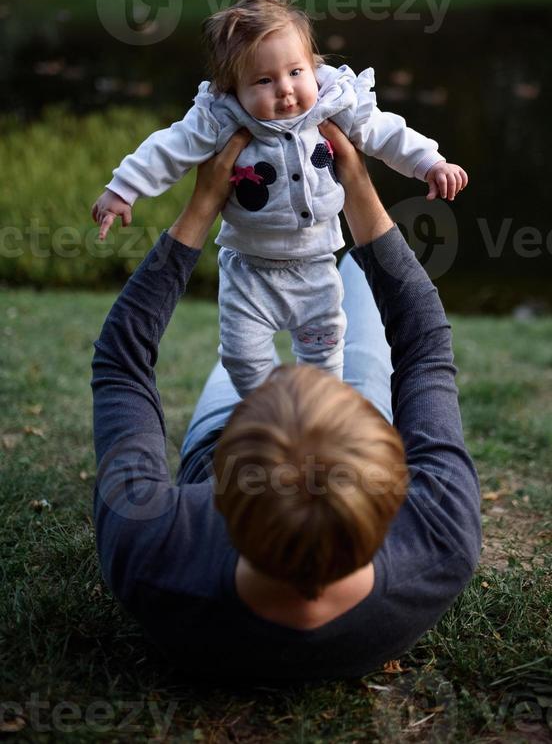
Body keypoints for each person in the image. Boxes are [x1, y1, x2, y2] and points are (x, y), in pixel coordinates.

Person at [91, 120, 481, 686]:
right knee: (356, 281)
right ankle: (333, 274)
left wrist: (202, 205)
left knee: (246, 349)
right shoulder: (438, 538)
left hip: (250, 417)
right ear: (388, 487)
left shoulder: (154, 547)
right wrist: (358, 189)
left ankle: (277, 309)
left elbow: (121, 364)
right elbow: (423, 343)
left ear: (219, 496)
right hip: (325, 418)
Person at [91, 0, 468, 398]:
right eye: (264, 81)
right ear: (232, 87)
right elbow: (167, 148)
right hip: (250, 272)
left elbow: (386, 132)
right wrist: (123, 189)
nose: (285, 90)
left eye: (295, 72)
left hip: (316, 266)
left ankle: (319, 418)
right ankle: (268, 411)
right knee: (241, 357)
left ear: (313, 65)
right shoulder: (220, 119)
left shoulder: (334, 104)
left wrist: (430, 162)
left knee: (324, 359)